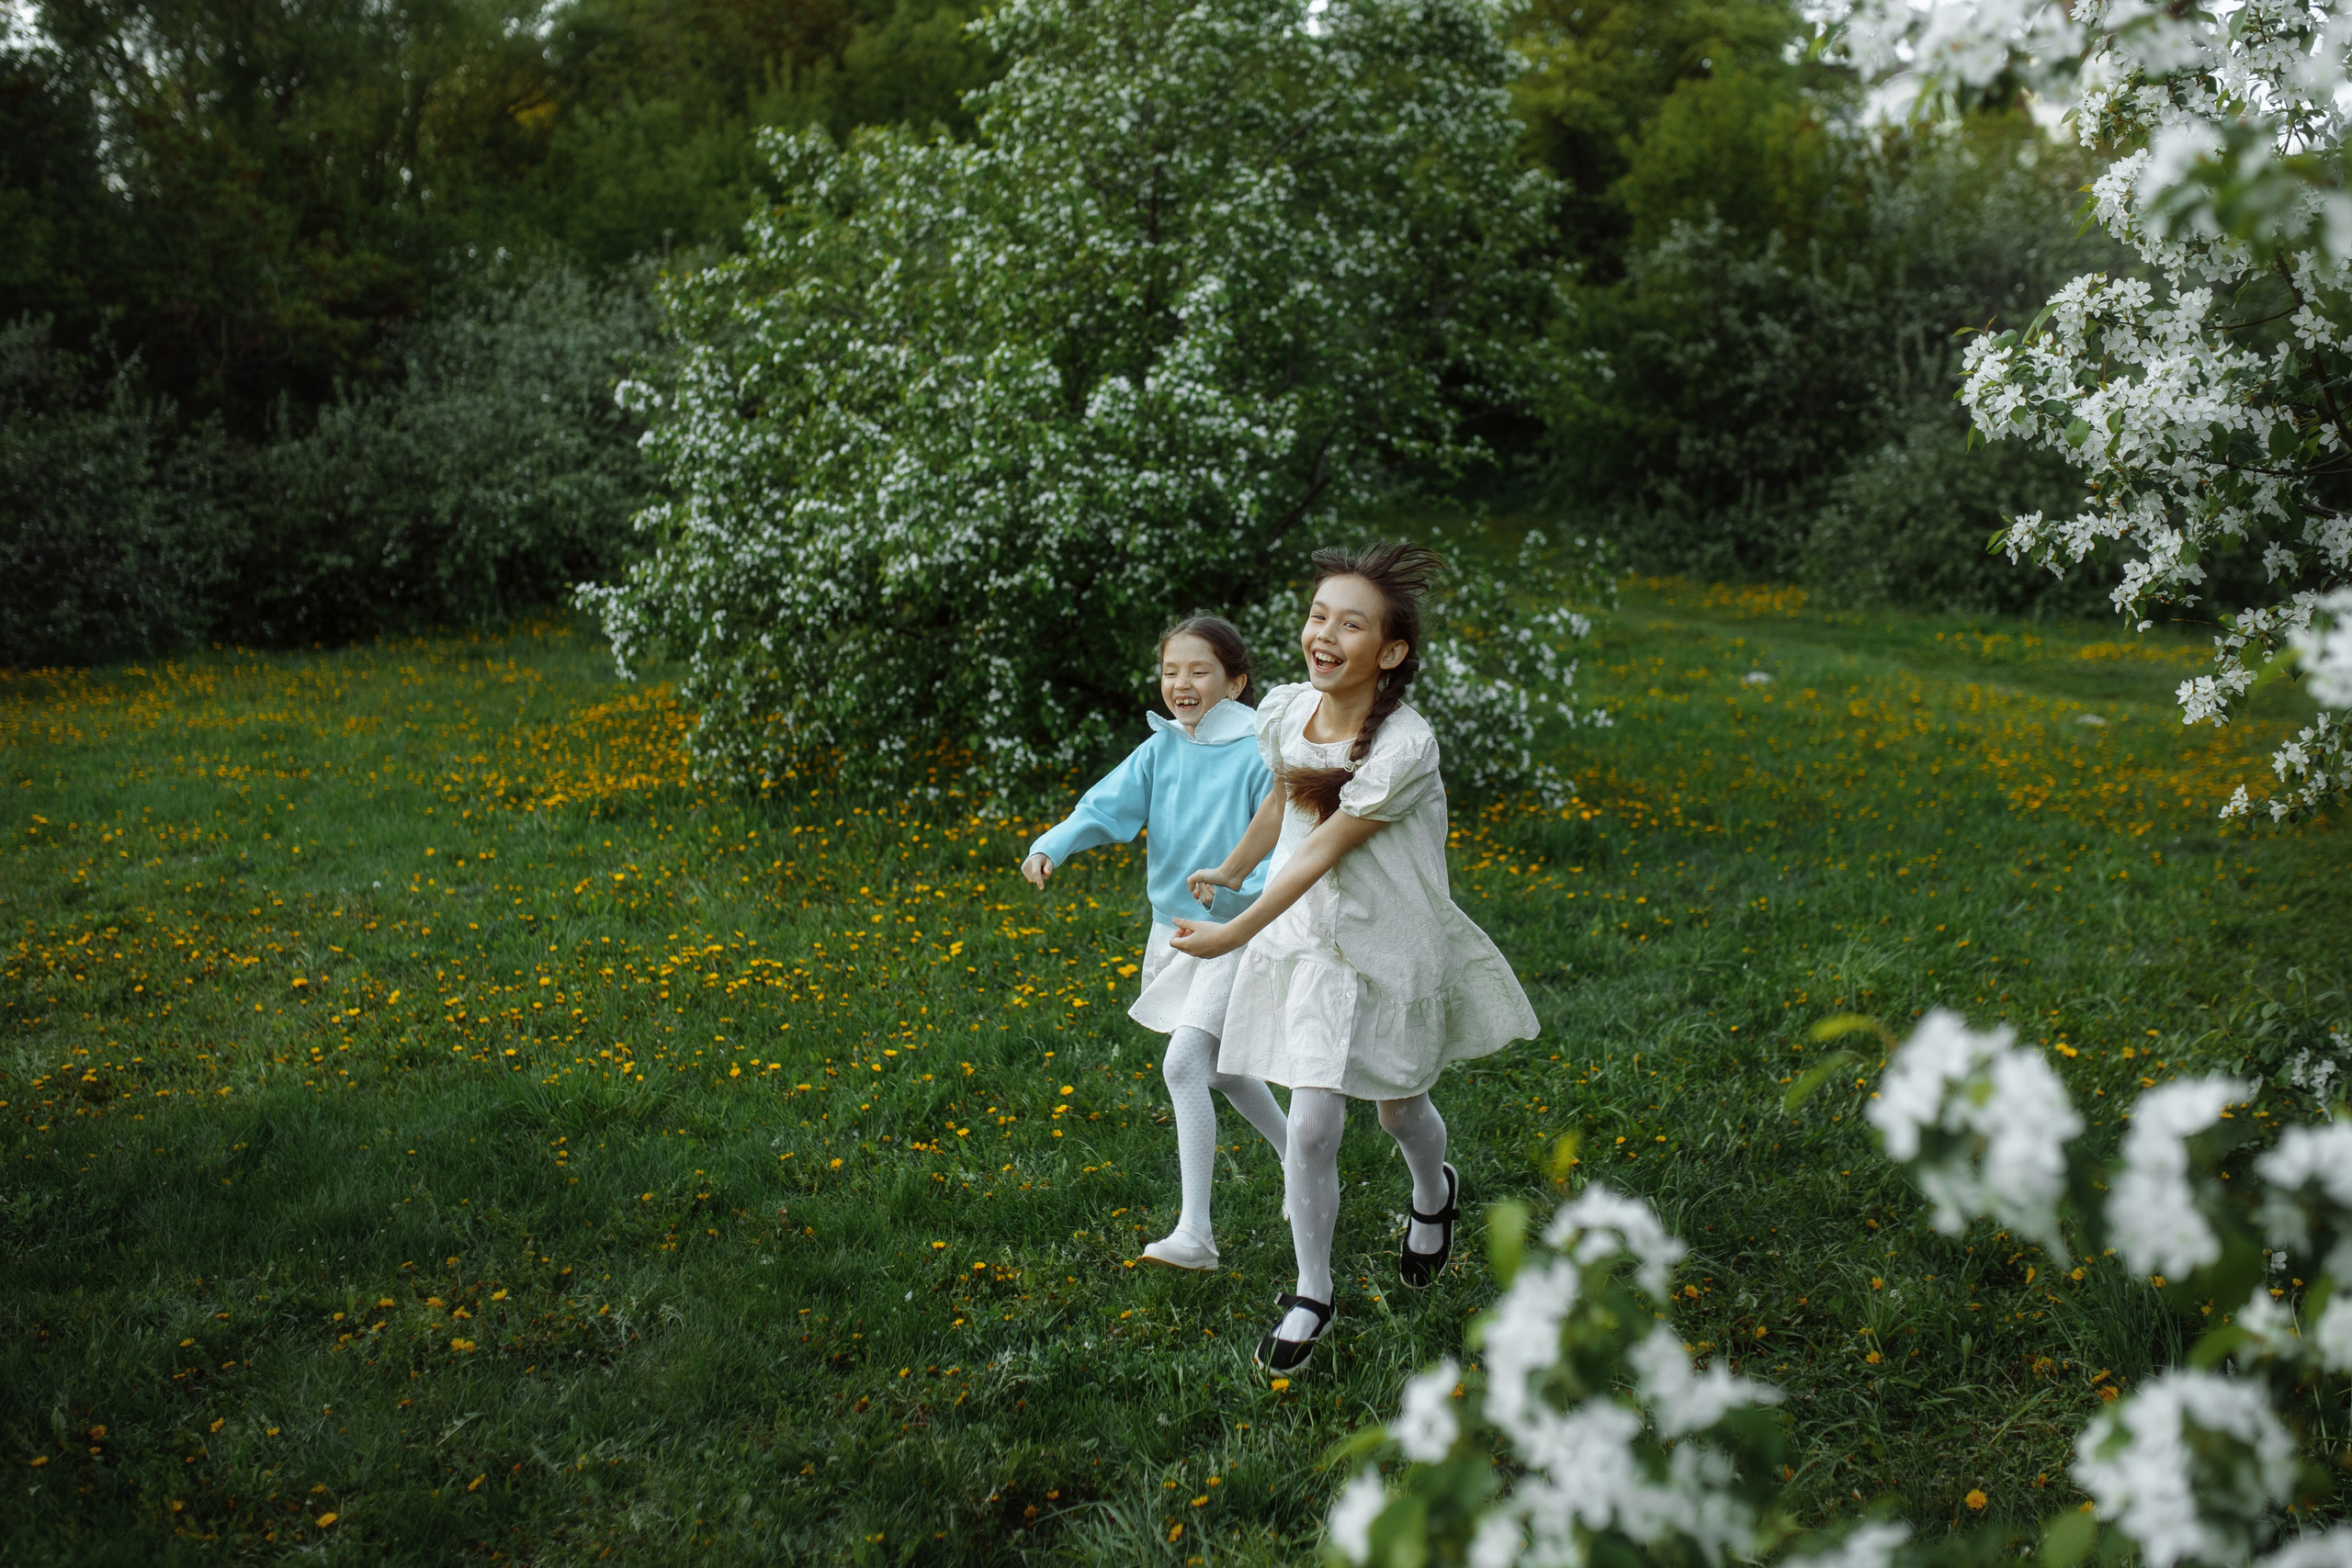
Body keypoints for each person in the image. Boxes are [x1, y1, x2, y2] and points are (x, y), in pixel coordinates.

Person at [1172, 543, 1539, 1374]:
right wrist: (1232, 868)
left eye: (1351, 622)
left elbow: (1321, 852)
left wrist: (1234, 930)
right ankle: (1313, 1291)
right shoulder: (1289, 709)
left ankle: (1433, 1192)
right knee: (1311, 1126)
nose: (1323, 632)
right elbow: (1286, 800)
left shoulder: (1403, 747)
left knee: (1401, 1111)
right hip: (1311, 951)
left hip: (1388, 945)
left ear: (1392, 651)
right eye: (1316, 614)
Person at [1022, 615, 1291, 1270]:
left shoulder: (1261, 751)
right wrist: (1052, 842)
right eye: (1171, 671)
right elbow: (1104, 806)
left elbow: (1281, 849)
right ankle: (1300, 1158)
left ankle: (1195, 1233)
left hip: (1236, 930)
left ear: (1235, 680)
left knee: (1183, 1065)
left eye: (1199, 670)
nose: (1182, 684)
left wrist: (1232, 896)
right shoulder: (1163, 745)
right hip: (1173, 931)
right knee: (1223, 1069)